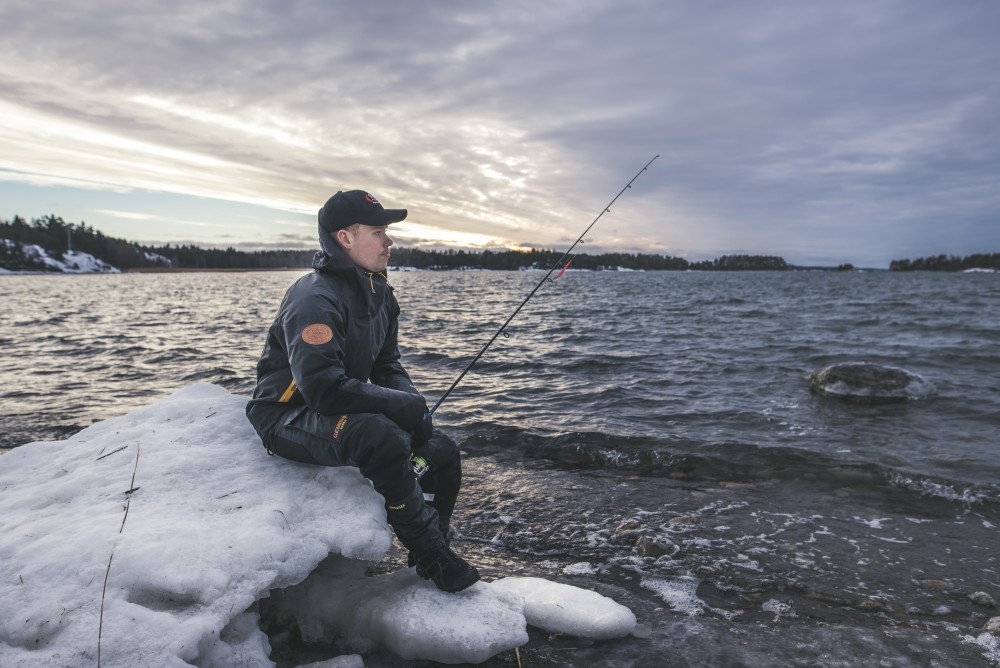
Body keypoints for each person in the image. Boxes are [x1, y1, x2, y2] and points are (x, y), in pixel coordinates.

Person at [245, 189, 480, 593]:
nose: (389, 241)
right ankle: (431, 555)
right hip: (285, 417)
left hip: (336, 409)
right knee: (380, 435)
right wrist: (399, 407)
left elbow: (386, 365)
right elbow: (321, 390)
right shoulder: (312, 297)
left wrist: (413, 407)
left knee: (441, 449)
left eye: (387, 232)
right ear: (345, 238)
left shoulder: (380, 294)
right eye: (379, 231)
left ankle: (435, 544)